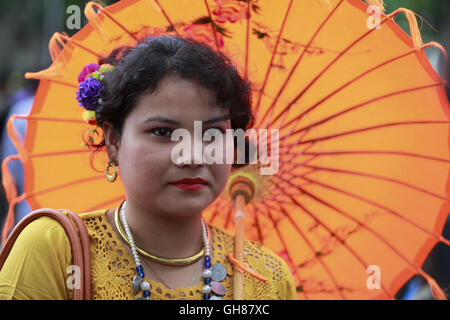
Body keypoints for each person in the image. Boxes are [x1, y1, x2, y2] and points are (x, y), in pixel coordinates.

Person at [0, 35, 297, 300]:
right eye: (164, 132)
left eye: (212, 134)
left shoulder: (265, 278)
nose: (192, 156)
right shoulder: (56, 251)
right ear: (113, 139)